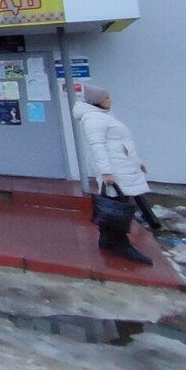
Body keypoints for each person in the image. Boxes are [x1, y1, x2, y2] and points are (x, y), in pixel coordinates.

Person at [73, 84, 160, 265]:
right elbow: (97, 146)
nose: (110, 100)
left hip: (121, 166)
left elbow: (122, 143)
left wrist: (137, 162)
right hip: (114, 170)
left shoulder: (103, 115)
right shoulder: (93, 118)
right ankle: (122, 245)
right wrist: (106, 172)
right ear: (97, 101)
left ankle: (107, 239)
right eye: (106, 97)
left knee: (113, 205)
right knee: (117, 206)